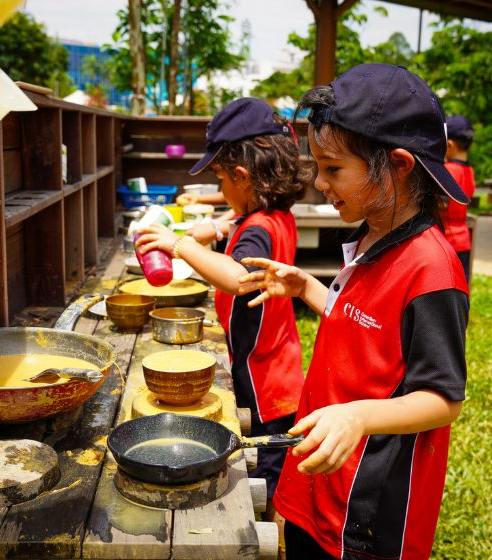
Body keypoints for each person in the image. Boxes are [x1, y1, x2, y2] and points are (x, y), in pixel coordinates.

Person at [237, 64, 470, 560]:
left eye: (333, 168)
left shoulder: (432, 269)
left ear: (400, 165)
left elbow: (443, 397)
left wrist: (359, 416)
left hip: (366, 510)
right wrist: (307, 288)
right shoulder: (371, 234)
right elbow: (362, 326)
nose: (319, 182)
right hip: (320, 480)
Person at [136, 97, 312, 517]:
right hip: (280, 364)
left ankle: (267, 527)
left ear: (241, 176)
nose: (220, 191)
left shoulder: (257, 229)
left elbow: (238, 277)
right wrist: (215, 226)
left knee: (265, 473)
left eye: (220, 180)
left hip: (264, 379)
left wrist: (178, 245)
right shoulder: (274, 216)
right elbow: (240, 226)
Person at [442, 114, 476, 281]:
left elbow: (440, 204)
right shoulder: (470, 171)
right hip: (463, 241)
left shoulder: (447, 170)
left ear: (449, 144)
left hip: (446, 239)